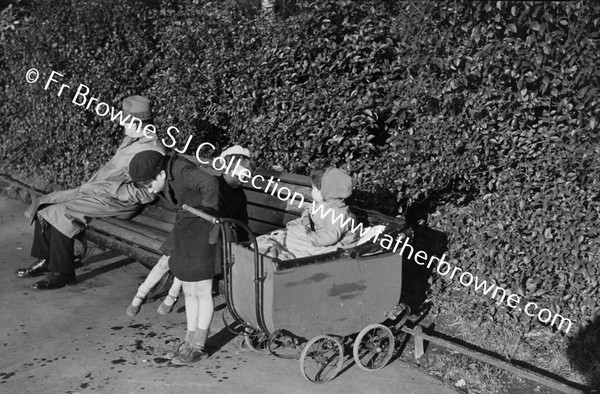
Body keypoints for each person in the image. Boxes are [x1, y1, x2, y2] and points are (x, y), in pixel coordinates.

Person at [16, 96, 166, 289]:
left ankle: (62, 273)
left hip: (118, 202)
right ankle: (46, 259)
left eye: (126, 120)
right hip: (101, 193)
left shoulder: (152, 150)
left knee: (62, 212)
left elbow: (147, 193)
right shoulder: (133, 138)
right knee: (47, 201)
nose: (121, 123)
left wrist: (110, 188)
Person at [128, 148, 253, 364]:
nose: (151, 191)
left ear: (161, 174)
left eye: (150, 185)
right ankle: (189, 340)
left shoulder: (181, 170)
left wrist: (212, 218)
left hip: (205, 232)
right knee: (189, 290)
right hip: (188, 229)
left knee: (202, 291)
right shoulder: (168, 173)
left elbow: (210, 184)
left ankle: (199, 346)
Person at [256, 167, 359, 259]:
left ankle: (281, 253)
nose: (311, 191)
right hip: (316, 237)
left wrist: (309, 236)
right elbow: (308, 217)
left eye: (313, 189)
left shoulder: (338, 214)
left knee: (297, 240)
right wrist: (298, 224)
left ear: (322, 193)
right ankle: (274, 247)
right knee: (290, 234)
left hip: (329, 245)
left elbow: (330, 236)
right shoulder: (321, 205)